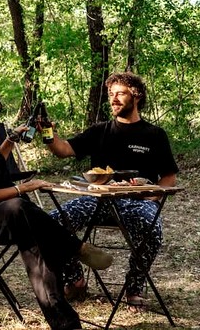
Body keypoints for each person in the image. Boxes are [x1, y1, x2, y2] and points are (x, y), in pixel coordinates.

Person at [0, 88, 113, 330]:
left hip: (7, 218)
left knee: (40, 248)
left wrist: (10, 140)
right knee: (21, 206)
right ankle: (75, 247)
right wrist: (25, 187)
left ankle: (66, 324)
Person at [42, 72, 179, 310]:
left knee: (152, 230)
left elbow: (169, 176)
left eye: (120, 94)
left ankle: (134, 287)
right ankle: (75, 279)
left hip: (138, 202)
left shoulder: (155, 135)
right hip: (98, 200)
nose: (113, 99)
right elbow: (63, 149)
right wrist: (47, 134)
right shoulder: (100, 131)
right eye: (111, 94)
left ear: (136, 96)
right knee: (51, 224)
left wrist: (154, 194)